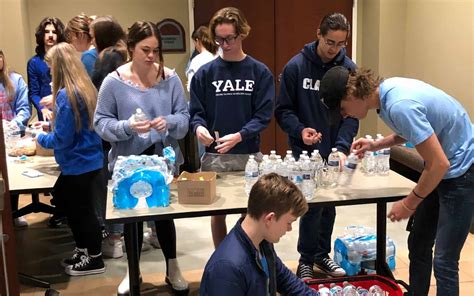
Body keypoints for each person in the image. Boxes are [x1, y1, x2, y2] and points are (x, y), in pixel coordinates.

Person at [319, 66, 473, 296]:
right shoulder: (386, 95)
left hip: (462, 171)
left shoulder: (399, 104)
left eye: (342, 109)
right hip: (443, 167)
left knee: (444, 260)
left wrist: (410, 203)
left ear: (351, 94)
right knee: (419, 244)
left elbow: (439, 164)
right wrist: (375, 145)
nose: (344, 115)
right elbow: (416, 128)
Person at [94, 21, 189, 295]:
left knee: (164, 215)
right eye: (145, 50)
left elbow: (184, 120)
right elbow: (100, 123)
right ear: (131, 48)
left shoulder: (170, 79)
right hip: (127, 162)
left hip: (164, 161)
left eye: (156, 51)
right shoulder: (114, 82)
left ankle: (172, 267)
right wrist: (127, 127)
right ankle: (132, 271)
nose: (151, 56)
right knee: (131, 217)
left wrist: (168, 122)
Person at [274, 12, 357, 279]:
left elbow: (353, 114)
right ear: (318, 35)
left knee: (329, 204)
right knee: (310, 205)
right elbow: (283, 110)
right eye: (330, 42)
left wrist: (342, 147)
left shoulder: (349, 70)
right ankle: (306, 259)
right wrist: (300, 130)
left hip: (334, 151)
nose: (334, 49)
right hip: (304, 150)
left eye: (341, 44)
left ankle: (322, 255)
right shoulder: (296, 67)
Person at [189, 7, 274, 248]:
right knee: (218, 213)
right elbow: (196, 112)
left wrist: (240, 135)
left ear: (242, 34)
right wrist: (198, 128)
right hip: (216, 156)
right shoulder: (205, 73)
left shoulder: (259, 72)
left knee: (251, 214)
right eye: (219, 39)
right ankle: (222, 259)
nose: (224, 44)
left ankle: (248, 258)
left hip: (249, 154)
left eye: (229, 39)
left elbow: (263, 115)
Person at [36, 42, 106, 276]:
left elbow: (62, 139)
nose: (48, 72)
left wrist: (40, 138)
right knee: (72, 206)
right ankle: (83, 249)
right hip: (89, 160)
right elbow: (74, 127)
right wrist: (50, 126)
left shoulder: (66, 95)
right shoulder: (85, 88)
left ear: (57, 67)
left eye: (49, 67)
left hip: (77, 163)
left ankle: (94, 259)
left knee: (81, 212)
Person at [200, 173, 318, 296]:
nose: (289, 229)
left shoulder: (262, 241)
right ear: (269, 219)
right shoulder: (227, 269)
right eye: (289, 222)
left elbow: (284, 279)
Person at [89, 15, 129, 259]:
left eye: (93, 36)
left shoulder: (108, 57)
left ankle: (114, 237)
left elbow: (98, 92)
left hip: (110, 131)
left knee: (110, 183)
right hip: (122, 127)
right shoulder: (123, 54)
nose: (91, 41)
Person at [0, 49, 31, 227]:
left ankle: (14, 213)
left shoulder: (15, 80)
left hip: (12, 137)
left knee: (11, 178)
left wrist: (13, 125)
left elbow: (24, 109)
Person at [27, 17, 65, 122]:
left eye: (54, 32)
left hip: (65, 107)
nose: (51, 35)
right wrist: (43, 109)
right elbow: (34, 93)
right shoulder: (34, 62)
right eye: (47, 32)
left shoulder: (66, 59)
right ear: (42, 35)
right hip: (45, 112)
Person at [185, 25, 218, 91]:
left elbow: (191, 87)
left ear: (197, 41)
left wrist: (189, 84)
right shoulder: (218, 57)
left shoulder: (196, 60)